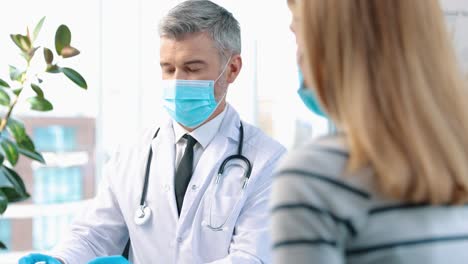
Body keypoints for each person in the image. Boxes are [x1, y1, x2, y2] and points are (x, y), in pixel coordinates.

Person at [19, 1, 285, 263]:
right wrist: (62, 260)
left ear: (232, 69)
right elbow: (94, 234)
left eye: (192, 68)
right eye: (168, 69)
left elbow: (250, 258)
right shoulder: (133, 153)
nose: (177, 81)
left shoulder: (268, 161)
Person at [271, 0, 468, 263]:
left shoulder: (317, 175)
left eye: (298, 34)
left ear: (329, 44)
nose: (297, 57)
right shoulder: (456, 160)